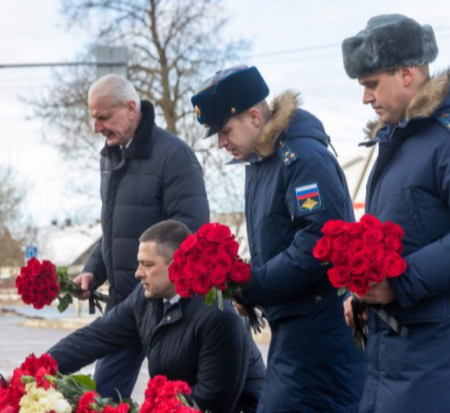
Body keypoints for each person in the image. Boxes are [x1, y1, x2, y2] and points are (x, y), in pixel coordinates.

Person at [340, 14, 450, 413]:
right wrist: (367, 294)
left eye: (371, 84)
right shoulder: (404, 141)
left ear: (406, 73)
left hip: (448, 370)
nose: (366, 98)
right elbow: (411, 235)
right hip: (406, 362)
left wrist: (399, 284)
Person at [190, 65, 365, 412]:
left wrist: (254, 285)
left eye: (224, 131)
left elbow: (317, 243)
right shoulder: (262, 160)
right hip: (294, 326)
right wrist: (249, 290)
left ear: (254, 116)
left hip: (321, 333)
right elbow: (279, 239)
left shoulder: (300, 159)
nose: (221, 143)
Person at [73, 74, 210, 399]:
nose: (97, 127)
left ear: (131, 109)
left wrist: (158, 289)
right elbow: (114, 230)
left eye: (103, 117)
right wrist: (94, 269)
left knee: (177, 400)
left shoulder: (174, 156)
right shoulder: (110, 157)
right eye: (93, 118)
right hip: (126, 302)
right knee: (103, 396)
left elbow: (189, 231)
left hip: (170, 310)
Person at [49, 220, 265, 413]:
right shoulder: (143, 299)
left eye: (148, 264)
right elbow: (94, 337)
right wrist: (42, 368)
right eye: (139, 263)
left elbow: (212, 402)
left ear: (176, 264)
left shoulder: (217, 315)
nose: (138, 273)